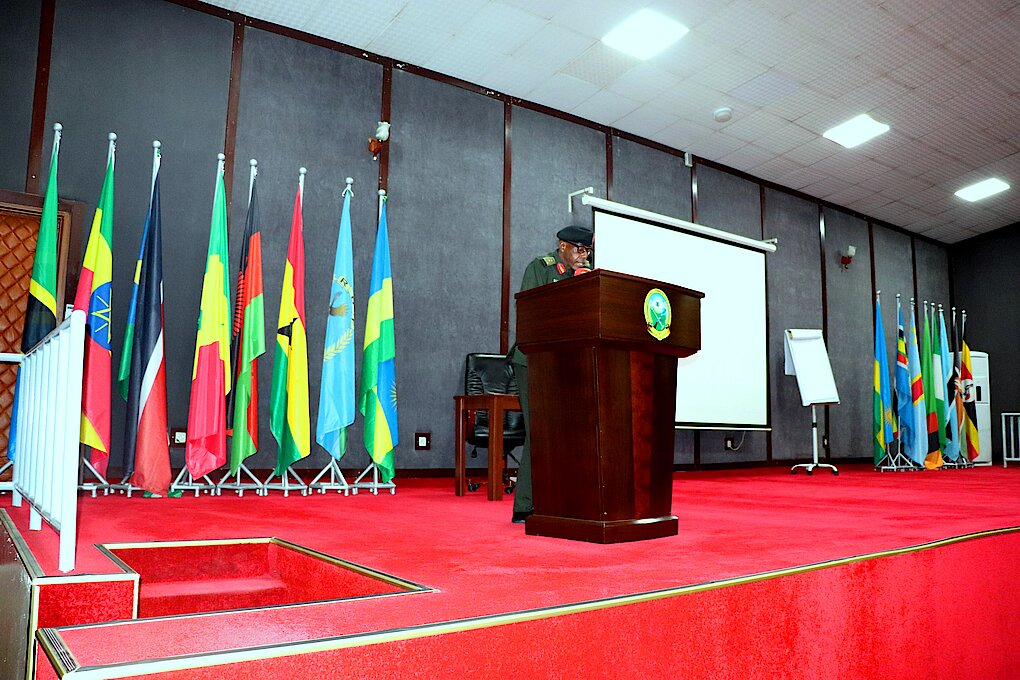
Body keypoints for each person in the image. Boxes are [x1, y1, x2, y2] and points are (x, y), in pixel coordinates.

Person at [509, 225, 593, 524]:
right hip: (533, 361)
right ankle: (526, 505)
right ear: (562, 246)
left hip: (566, 363)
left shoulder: (587, 276)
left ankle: (561, 499)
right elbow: (531, 313)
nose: (584, 256)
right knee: (540, 430)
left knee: (568, 433)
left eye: (587, 251)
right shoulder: (541, 267)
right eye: (579, 250)